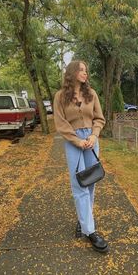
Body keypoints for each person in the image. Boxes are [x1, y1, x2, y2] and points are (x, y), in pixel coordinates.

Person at [53, 60, 109, 253]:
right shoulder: (60, 97)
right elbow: (60, 124)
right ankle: (91, 231)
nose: (85, 73)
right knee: (79, 185)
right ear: (72, 72)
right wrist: (77, 141)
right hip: (73, 143)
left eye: (86, 70)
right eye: (82, 70)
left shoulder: (91, 94)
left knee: (90, 182)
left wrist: (94, 135)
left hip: (92, 141)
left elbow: (99, 118)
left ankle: (82, 220)